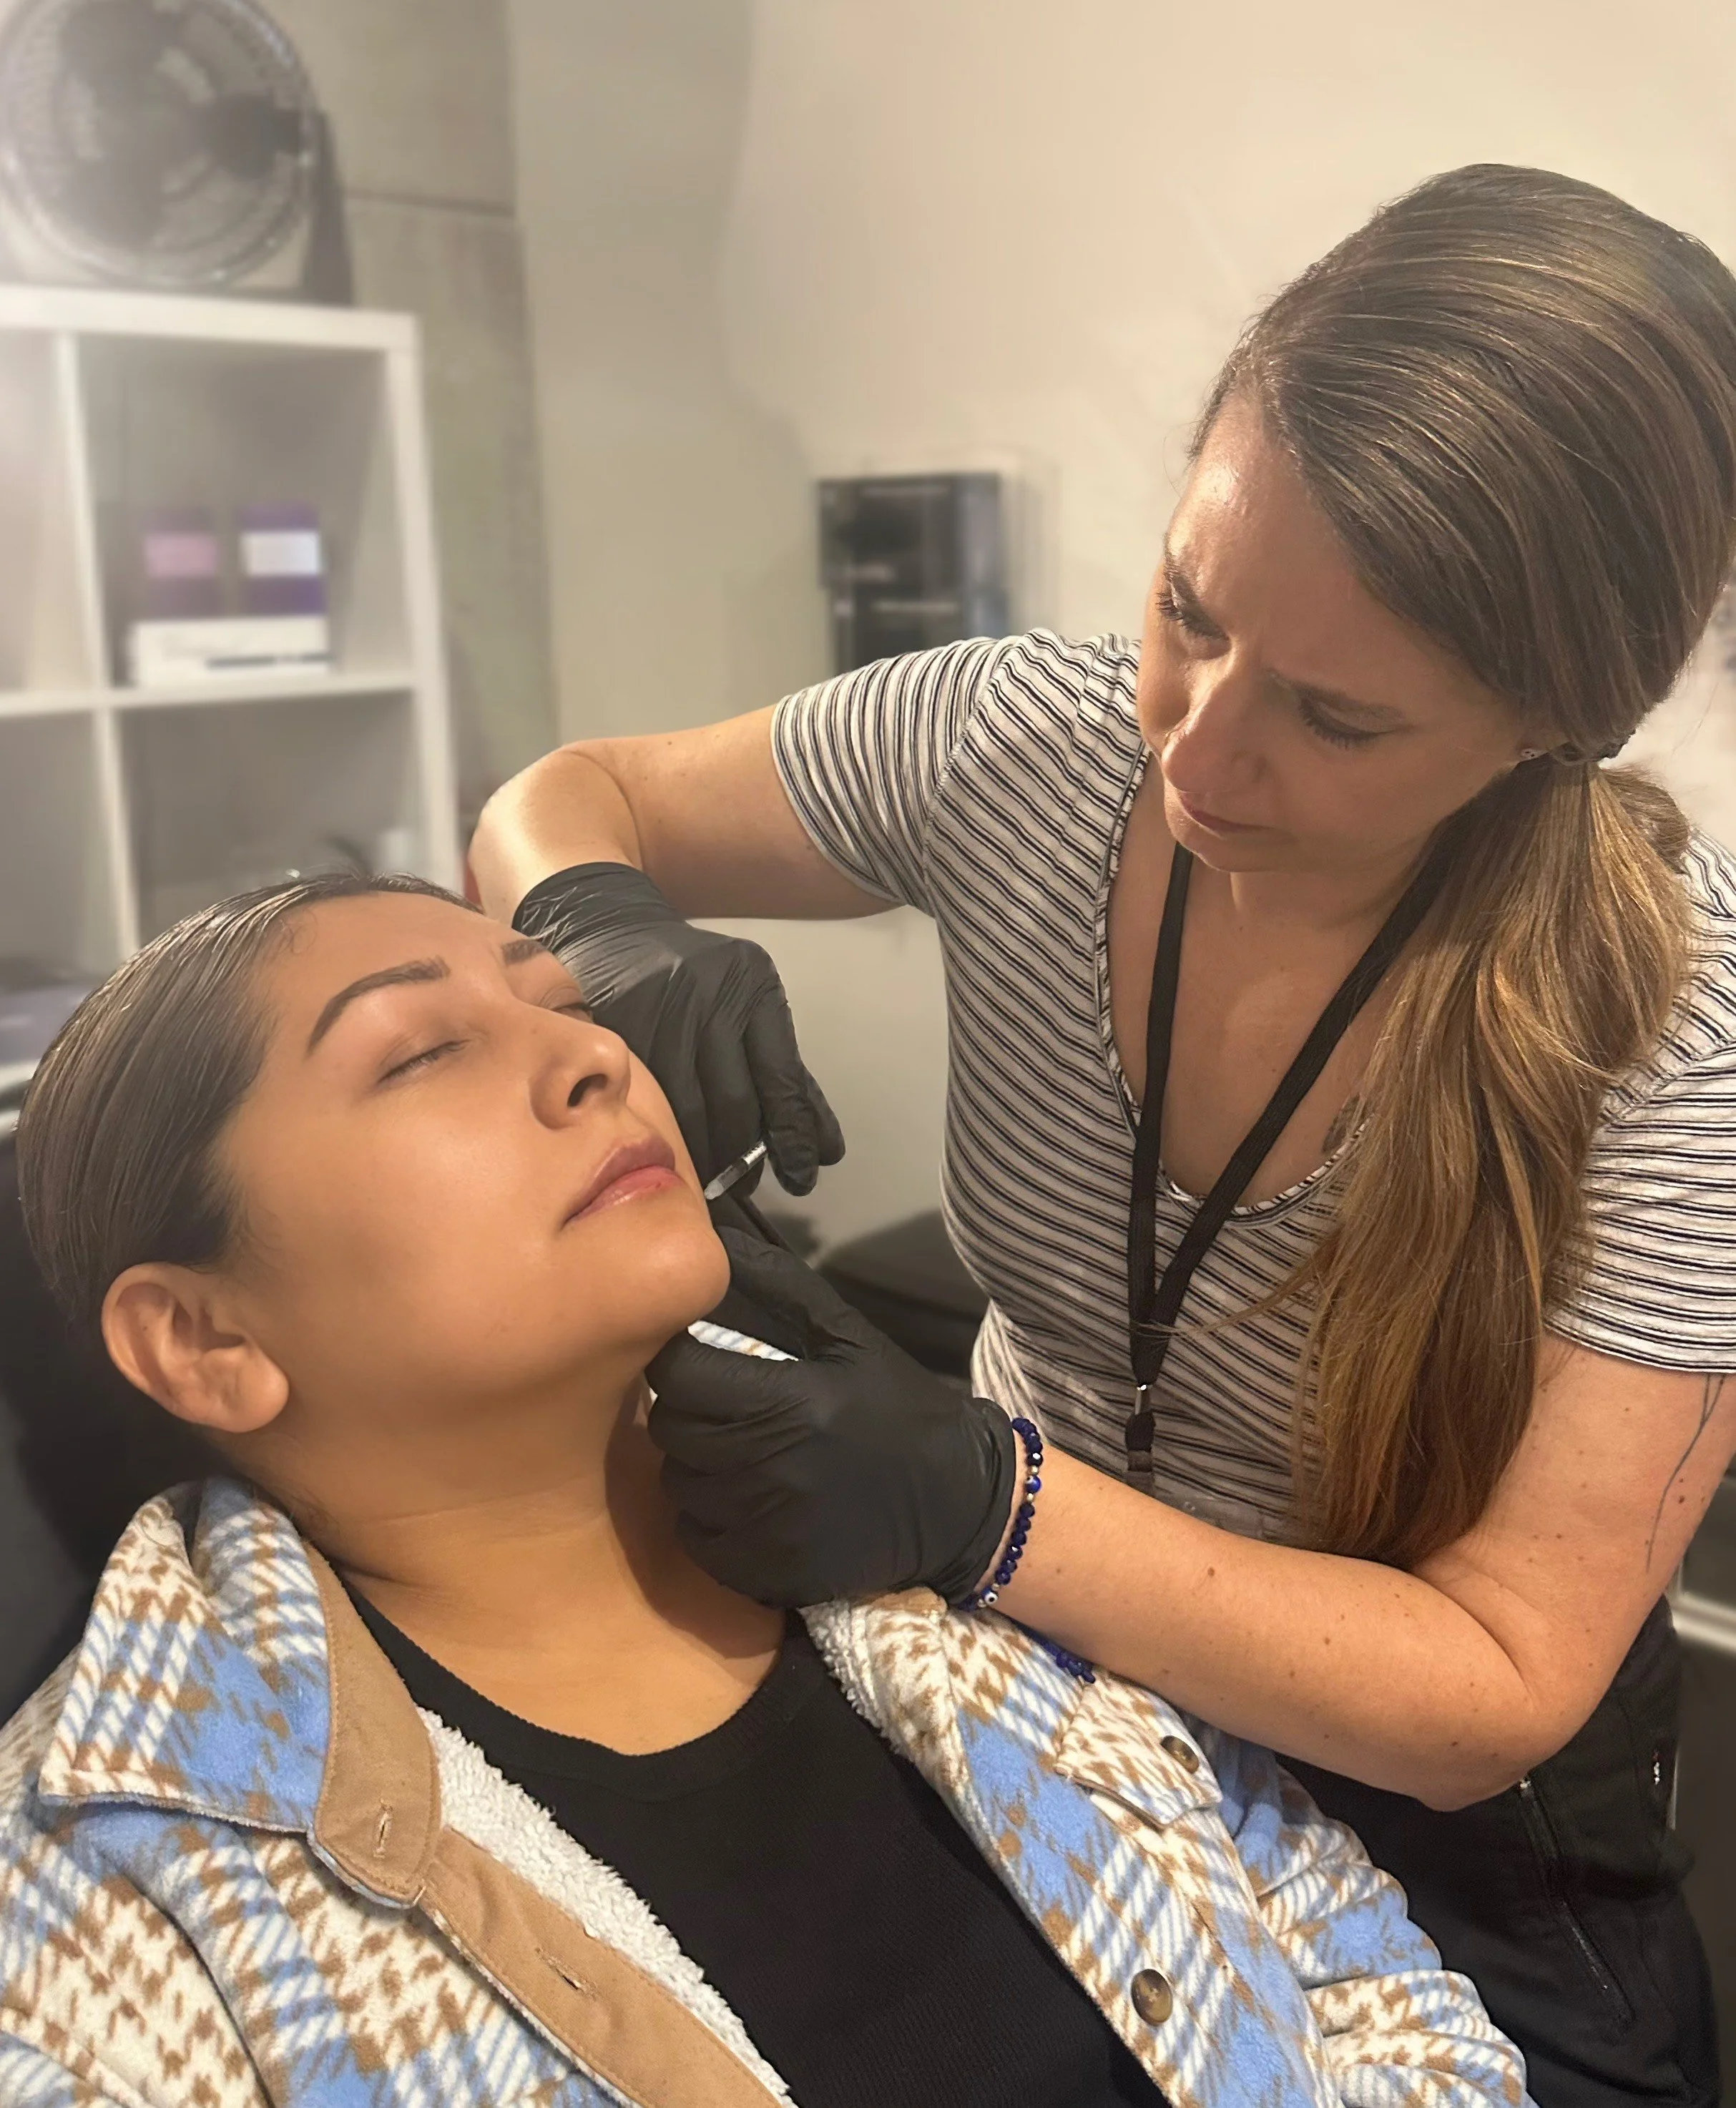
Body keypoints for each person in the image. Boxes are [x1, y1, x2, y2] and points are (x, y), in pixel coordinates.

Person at [468, 164, 1736, 2106]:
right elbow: (569, 792)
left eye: (1334, 716)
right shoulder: (1020, 745)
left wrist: (987, 1503)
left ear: (1553, 721)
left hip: (1451, 1833)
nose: (1199, 751)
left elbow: (1490, 1687)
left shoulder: (1678, 1031)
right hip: (1042, 1695)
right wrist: (590, 917)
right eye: (1186, 608)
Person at [0, 874, 1524, 2108]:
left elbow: (1356, 1974)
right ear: (204, 1339)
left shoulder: (931, 1565)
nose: (600, 1052)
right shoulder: (104, 1919)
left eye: (561, 1001)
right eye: (420, 1053)